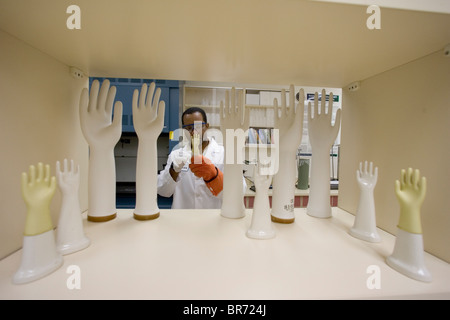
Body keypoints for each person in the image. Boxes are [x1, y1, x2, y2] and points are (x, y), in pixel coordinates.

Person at [157, 107, 227, 209]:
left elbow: (237, 192)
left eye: (198, 126)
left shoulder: (223, 153)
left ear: (206, 126)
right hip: (182, 220)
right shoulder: (176, 155)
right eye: (189, 128)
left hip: (212, 220)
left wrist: (214, 175)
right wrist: (173, 170)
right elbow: (164, 191)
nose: (194, 132)